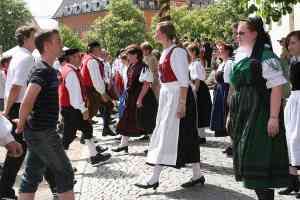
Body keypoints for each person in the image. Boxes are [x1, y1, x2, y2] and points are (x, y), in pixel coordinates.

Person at [135, 21, 204, 189]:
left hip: (179, 97)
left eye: (157, 31)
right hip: (170, 96)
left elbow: (182, 81)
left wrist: (181, 104)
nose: (154, 34)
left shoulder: (178, 52)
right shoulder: (167, 51)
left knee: (178, 135)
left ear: (165, 33)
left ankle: (155, 177)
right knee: (178, 135)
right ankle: (197, 174)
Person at [228, 16, 289, 200]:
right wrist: (230, 113)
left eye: (241, 33)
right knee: (248, 161)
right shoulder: (240, 54)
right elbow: (234, 87)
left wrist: (273, 118)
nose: (237, 36)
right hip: (242, 114)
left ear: (254, 34)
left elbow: (277, 87)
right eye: (237, 33)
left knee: (257, 160)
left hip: (259, 113)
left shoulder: (266, 56)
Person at [15, 29, 75, 200]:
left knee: (32, 176)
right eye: (58, 41)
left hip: (38, 131)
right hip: (43, 132)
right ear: (47, 46)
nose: (62, 44)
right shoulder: (43, 70)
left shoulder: (45, 69)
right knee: (65, 173)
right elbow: (28, 99)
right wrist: (21, 121)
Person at [0, 25, 37, 200]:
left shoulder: (19, 56)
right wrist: (7, 111)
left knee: (29, 148)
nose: (37, 39)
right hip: (21, 107)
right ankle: (4, 190)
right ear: (27, 38)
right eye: (34, 35)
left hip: (18, 106)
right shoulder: (26, 58)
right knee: (18, 151)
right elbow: (16, 86)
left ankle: (5, 189)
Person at [58, 48, 111, 165]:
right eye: (78, 56)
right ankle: (60, 164)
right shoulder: (71, 72)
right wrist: (83, 109)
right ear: (71, 58)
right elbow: (75, 94)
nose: (80, 58)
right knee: (68, 136)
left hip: (70, 108)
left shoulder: (67, 69)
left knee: (86, 129)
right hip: (73, 108)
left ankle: (94, 156)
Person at [112, 45, 157, 153]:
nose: (127, 56)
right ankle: (123, 144)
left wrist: (140, 99)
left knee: (146, 120)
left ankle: (154, 147)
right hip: (132, 97)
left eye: (129, 54)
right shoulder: (132, 65)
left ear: (136, 55)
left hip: (143, 98)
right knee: (128, 120)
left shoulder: (143, 67)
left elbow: (146, 84)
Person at [279, 30, 300, 198]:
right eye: (289, 43)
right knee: (290, 141)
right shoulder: (293, 61)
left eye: (293, 42)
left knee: (297, 140)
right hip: (294, 101)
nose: (289, 46)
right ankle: (293, 181)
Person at [80, 42, 115, 136]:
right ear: (94, 49)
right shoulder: (92, 61)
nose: (100, 51)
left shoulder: (87, 58)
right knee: (91, 112)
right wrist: (103, 93)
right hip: (92, 90)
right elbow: (96, 79)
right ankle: (86, 135)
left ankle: (105, 129)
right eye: (99, 49)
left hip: (91, 89)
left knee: (108, 105)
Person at [187, 43, 212, 144]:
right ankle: (198, 135)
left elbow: (197, 79)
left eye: (188, 52)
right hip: (195, 86)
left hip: (199, 88)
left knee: (200, 111)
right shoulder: (192, 63)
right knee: (197, 111)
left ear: (193, 52)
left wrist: (195, 91)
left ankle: (201, 137)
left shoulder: (197, 64)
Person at [210, 42, 234, 138]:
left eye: (221, 49)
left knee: (226, 115)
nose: (219, 51)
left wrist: (229, 95)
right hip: (220, 91)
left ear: (227, 51)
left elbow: (229, 81)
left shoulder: (229, 63)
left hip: (225, 90)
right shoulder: (222, 63)